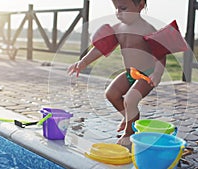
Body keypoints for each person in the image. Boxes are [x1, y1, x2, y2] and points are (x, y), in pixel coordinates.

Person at [67, 0, 166, 146]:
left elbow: (161, 54)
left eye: (123, 8)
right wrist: (83, 62)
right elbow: (100, 48)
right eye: (116, 8)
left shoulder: (147, 29)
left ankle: (129, 134)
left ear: (140, 6)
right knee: (111, 93)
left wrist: (157, 73)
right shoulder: (118, 29)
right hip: (130, 73)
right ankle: (129, 117)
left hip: (146, 74)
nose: (119, 12)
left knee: (130, 99)